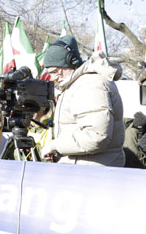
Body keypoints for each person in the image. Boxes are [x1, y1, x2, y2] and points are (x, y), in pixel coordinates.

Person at [40, 35, 125, 166]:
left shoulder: (89, 84)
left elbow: (96, 136)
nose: (54, 77)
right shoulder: (79, 84)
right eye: (51, 73)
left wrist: (55, 146)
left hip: (90, 175)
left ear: (71, 62)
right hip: (86, 170)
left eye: (57, 71)